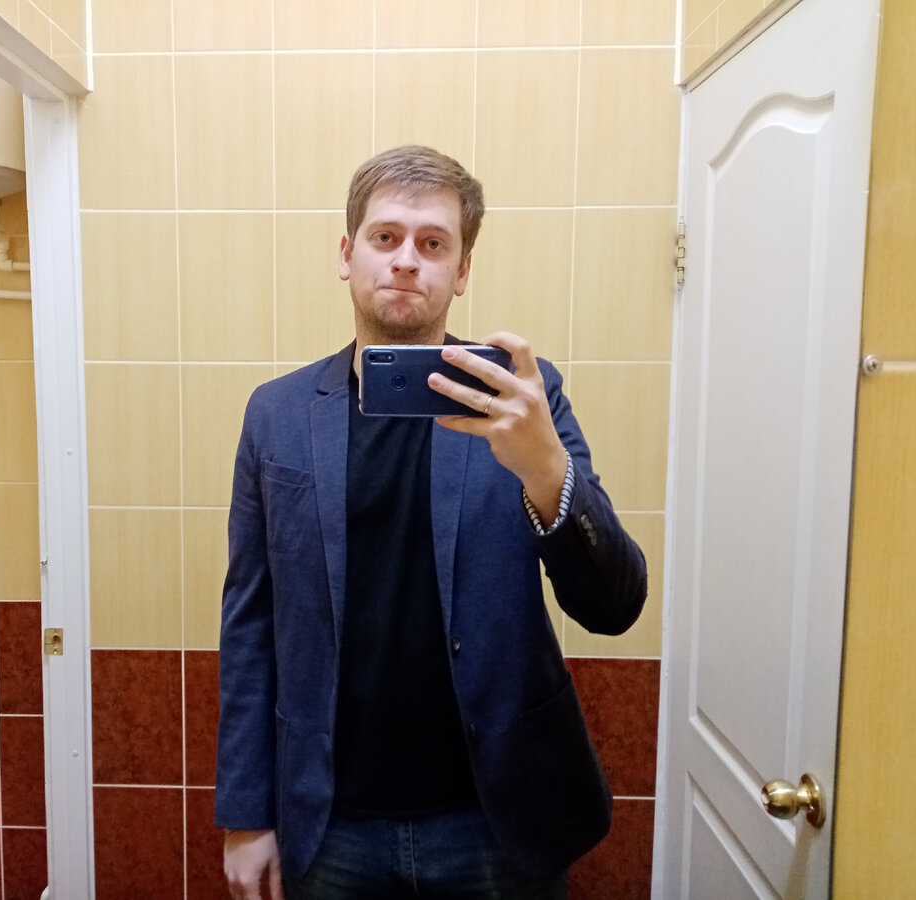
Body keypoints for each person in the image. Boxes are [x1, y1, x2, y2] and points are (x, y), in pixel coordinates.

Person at [216, 145, 647, 900]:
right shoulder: (277, 416)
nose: (407, 260)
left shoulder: (522, 402)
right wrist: (246, 815)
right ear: (347, 254)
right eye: (385, 237)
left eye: (434, 243)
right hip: (330, 819)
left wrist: (547, 470)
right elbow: (250, 623)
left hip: (496, 816)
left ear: (462, 269)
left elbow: (614, 606)